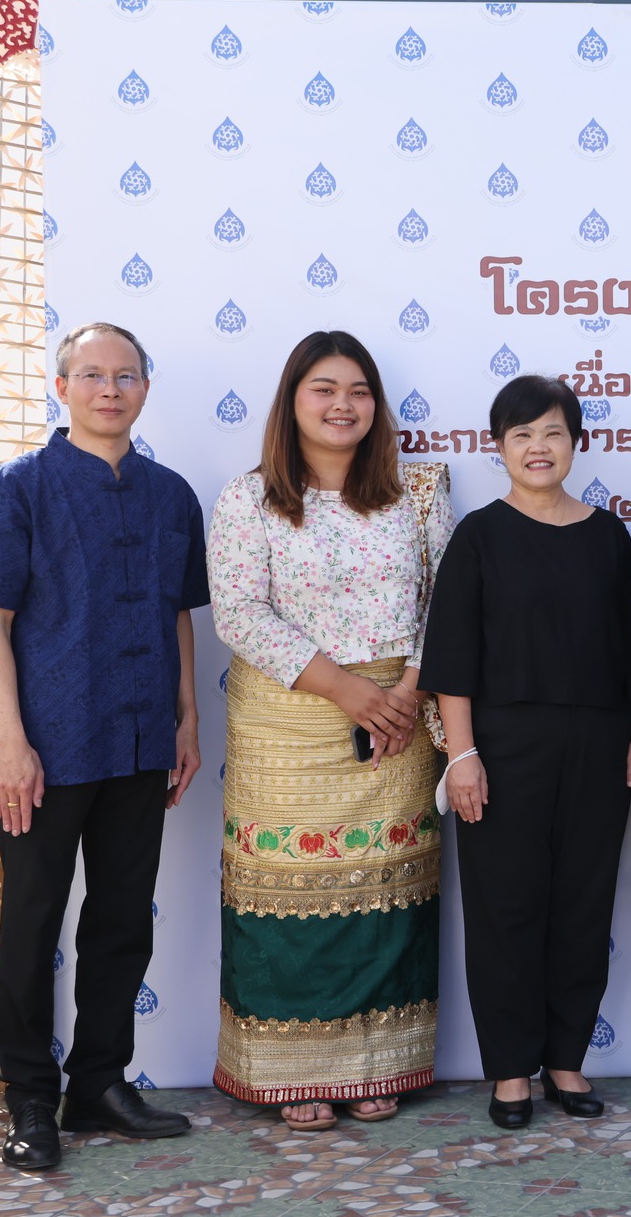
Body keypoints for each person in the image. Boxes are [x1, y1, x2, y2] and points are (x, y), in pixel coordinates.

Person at [0, 323, 208, 1171]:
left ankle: (98, 1082)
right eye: (92, 374)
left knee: (123, 920)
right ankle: (28, 1097)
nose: (109, 389)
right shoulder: (19, 486)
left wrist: (187, 718)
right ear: (61, 386)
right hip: (48, 747)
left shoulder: (172, 496)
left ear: (145, 388)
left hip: (140, 739)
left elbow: (176, 614)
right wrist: (9, 743)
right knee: (31, 921)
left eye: (126, 375)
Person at [206, 330, 453, 1132]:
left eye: (358, 389)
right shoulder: (249, 498)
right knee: (285, 886)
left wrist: (405, 692)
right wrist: (349, 691)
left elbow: (447, 602)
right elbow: (240, 612)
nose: (343, 404)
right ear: (292, 401)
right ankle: (292, 1069)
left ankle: (376, 1064)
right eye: (324, 388)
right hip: (288, 721)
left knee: (384, 885)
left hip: (397, 720)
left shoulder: (416, 494)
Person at [420, 374, 631, 1130]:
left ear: (576, 441)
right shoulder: (479, 536)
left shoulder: (608, 535)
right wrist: (462, 756)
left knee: (583, 903)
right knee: (505, 907)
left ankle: (566, 1060)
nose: (538, 447)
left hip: (599, 742)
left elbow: (630, 649)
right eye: (522, 434)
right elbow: (453, 658)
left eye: (552, 432)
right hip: (503, 748)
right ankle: (511, 1069)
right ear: (500, 447)